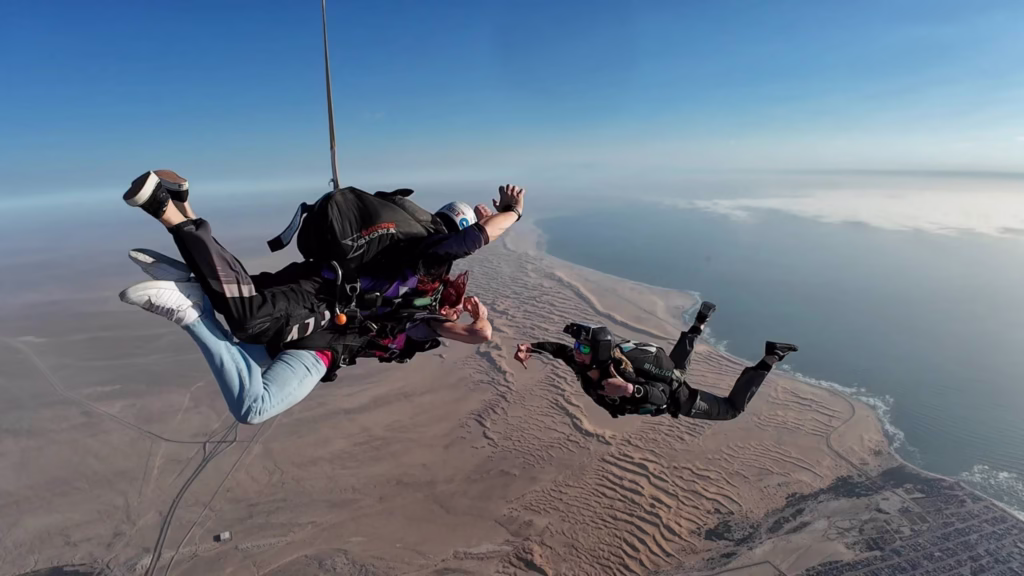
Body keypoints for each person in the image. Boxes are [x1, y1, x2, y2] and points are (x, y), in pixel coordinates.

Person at [121, 169, 525, 350]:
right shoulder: (427, 249)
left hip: (322, 273)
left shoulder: (407, 222)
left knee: (242, 287)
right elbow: (471, 241)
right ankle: (166, 209)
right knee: (248, 320)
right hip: (324, 294)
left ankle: (184, 206)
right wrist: (513, 212)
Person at [118, 258, 493, 425]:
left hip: (305, 326)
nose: (453, 313)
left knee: (237, 339)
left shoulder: (401, 292)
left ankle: (188, 279)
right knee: (253, 407)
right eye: (453, 307)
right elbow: (479, 336)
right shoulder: (424, 323)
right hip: (319, 350)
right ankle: (190, 312)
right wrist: (481, 319)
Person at [513, 302, 798, 420]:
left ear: (598, 352)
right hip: (664, 373)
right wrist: (532, 347)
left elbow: (659, 394)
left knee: (731, 409)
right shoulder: (585, 363)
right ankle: (699, 323)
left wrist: (629, 391)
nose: (577, 351)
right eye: (578, 346)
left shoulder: (621, 374)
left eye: (583, 348)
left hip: (678, 397)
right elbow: (560, 350)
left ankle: (772, 357)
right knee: (677, 367)